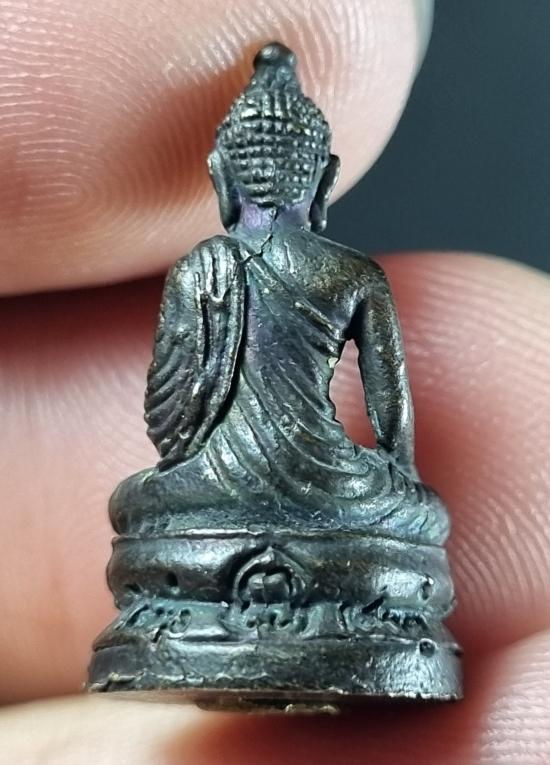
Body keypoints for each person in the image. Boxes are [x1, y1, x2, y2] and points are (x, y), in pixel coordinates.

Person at [0, 1, 549, 762]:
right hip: (333, 487)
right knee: (416, 514)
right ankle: (364, 605)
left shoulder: (202, 269)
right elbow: (391, 408)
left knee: (143, 500)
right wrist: (396, 484)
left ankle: (180, 612)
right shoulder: (350, 273)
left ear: (223, 177)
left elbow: (169, 413)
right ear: (322, 179)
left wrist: (202, 458)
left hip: (209, 489)